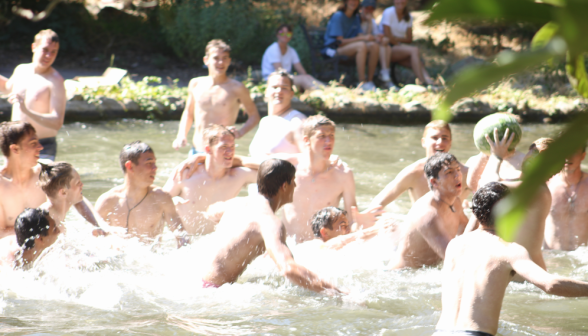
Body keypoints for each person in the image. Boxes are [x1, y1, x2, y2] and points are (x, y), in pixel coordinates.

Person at [435, 182, 588, 336]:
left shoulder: (454, 246)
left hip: (439, 332)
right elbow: (551, 284)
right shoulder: (509, 250)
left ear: (474, 211)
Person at [201, 158, 343, 293]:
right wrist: (336, 292)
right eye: (293, 181)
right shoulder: (269, 222)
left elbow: (211, 212)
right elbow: (288, 268)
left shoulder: (238, 203)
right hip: (213, 293)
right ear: (284, 186)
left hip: (200, 283)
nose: (295, 186)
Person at [283, 115, 383, 243]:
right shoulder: (289, 168)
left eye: (332, 136)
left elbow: (351, 221)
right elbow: (252, 164)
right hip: (288, 247)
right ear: (306, 140)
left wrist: (360, 223)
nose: (328, 141)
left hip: (321, 250)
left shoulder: (343, 174)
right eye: (322, 136)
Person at [467, 132, 553, 273]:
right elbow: (475, 187)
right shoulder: (520, 183)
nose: (533, 157)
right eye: (533, 151)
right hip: (516, 275)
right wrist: (485, 154)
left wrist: (496, 156)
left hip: (528, 278)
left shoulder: (537, 190)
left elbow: (489, 186)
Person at [0, 121, 101, 239]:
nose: (40, 147)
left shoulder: (46, 171)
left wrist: (97, 226)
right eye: (33, 143)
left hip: (56, 245)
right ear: (15, 149)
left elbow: (77, 197)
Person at [163, 125, 257, 235]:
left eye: (232, 147)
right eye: (224, 147)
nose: (230, 151)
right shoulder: (185, 174)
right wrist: (171, 203)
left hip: (215, 243)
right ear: (208, 149)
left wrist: (241, 160)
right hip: (184, 242)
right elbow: (155, 202)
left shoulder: (239, 175)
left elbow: (275, 169)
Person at [172, 39, 260, 154]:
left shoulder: (237, 88)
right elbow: (188, 113)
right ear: (206, 60)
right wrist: (181, 135)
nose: (220, 62)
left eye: (224, 58)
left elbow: (254, 116)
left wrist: (240, 132)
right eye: (216, 58)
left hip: (222, 152)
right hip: (196, 149)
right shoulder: (195, 84)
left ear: (229, 61)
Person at [388, 152, 468, 270]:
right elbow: (453, 259)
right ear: (434, 182)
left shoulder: (455, 202)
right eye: (449, 172)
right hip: (404, 277)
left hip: (428, 270)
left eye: (458, 169)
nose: (457, 175)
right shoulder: (428, 215)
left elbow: (469, 233)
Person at [95, 141, 186, 243]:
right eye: (149, 163)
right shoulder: (107, 201)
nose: (155, 168)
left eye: (155, 163)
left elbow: (183, 239)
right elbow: (93, 241)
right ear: (130, 166)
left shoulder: (162, 198)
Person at [370, 120, 469, 208]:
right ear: (424, 142)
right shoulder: (413, 172)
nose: (440, 142)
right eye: (434, 138)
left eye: (444, 138)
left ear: (450, 143)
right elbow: (378, 203)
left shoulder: (464, 173)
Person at [0, 29, 65, 161]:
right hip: (15, 143)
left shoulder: (56, 81)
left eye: (53, 52)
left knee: (36, 181)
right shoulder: (21, 69)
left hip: (42, 145)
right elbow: (6, 88)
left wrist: (26, 111)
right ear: (34, 47)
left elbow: (57, 122)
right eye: (45, 50)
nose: (48, 56)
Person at [323, 0, 379, 91]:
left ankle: (369, 81)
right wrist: (362, 39)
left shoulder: (355, 18)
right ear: (346, 1)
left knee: (374, 46)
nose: (354, 2)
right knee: (361, 45)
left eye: (356, 0)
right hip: (333, 50)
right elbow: (340, 42)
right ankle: (362, 83)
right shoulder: (338, 16)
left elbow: (363, 37)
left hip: (350, 47)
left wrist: (369, 22)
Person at [249, 70, 307, 157]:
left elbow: (310, 159)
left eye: (284, 88)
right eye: (275, 87)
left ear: (291, 94)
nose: (279, 91)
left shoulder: (297, 121)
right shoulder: (265, 121)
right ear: (266, 92)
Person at [37, 161, 104, 235]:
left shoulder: (56, 217)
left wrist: (97, 226)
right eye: (78, 183)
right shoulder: (46, 222)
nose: (82, 185)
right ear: (63, 192)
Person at [379, 0, 434, 86]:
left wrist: (396, 39)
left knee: (420, 63)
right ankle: (423, 82)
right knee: (414, 50)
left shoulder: (408, 17)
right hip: (387, 47)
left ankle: (430, 82)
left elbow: (409, 39)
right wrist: (398, 42)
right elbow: (387, 35)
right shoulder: (388, 12)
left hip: (399, 47)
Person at [544, 146, 588, 250]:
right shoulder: (546, 184)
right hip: (552, 258)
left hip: (582, 260)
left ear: (583, 156)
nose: (568, 156)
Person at [261, 24, 324, 91]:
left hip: (285, 78)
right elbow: (279, 71)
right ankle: (320, 93)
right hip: (273, 79)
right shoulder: (273, 49)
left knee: (307, 77)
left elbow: (302, 71)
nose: (285, 35)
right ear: (277, 35)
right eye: (282, 33)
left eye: (288, 33)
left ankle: (327, 89)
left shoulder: (291, 50)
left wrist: (304, 76)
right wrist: (300, 78)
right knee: (303, 79)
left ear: (291, 36)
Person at [309, 206, 398, 250]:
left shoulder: (345, 247)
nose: (348, 230)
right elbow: (329, 246)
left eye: (348, 226)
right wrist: (376, 230)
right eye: (343, 226)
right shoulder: (314, 245)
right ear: (325, 232)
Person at [359, 0, 396, 89]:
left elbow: (375, 34)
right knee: (375, 46)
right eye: (367, 8)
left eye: (371, 9)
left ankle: (385, 75)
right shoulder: (357, 19)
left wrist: (380, 38)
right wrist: (369, 24)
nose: (369, 11)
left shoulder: (372, 20)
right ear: (361, 8)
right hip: (362, 46)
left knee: (386, 45)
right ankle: (368, 80)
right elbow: (364, 37)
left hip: (371, 46)